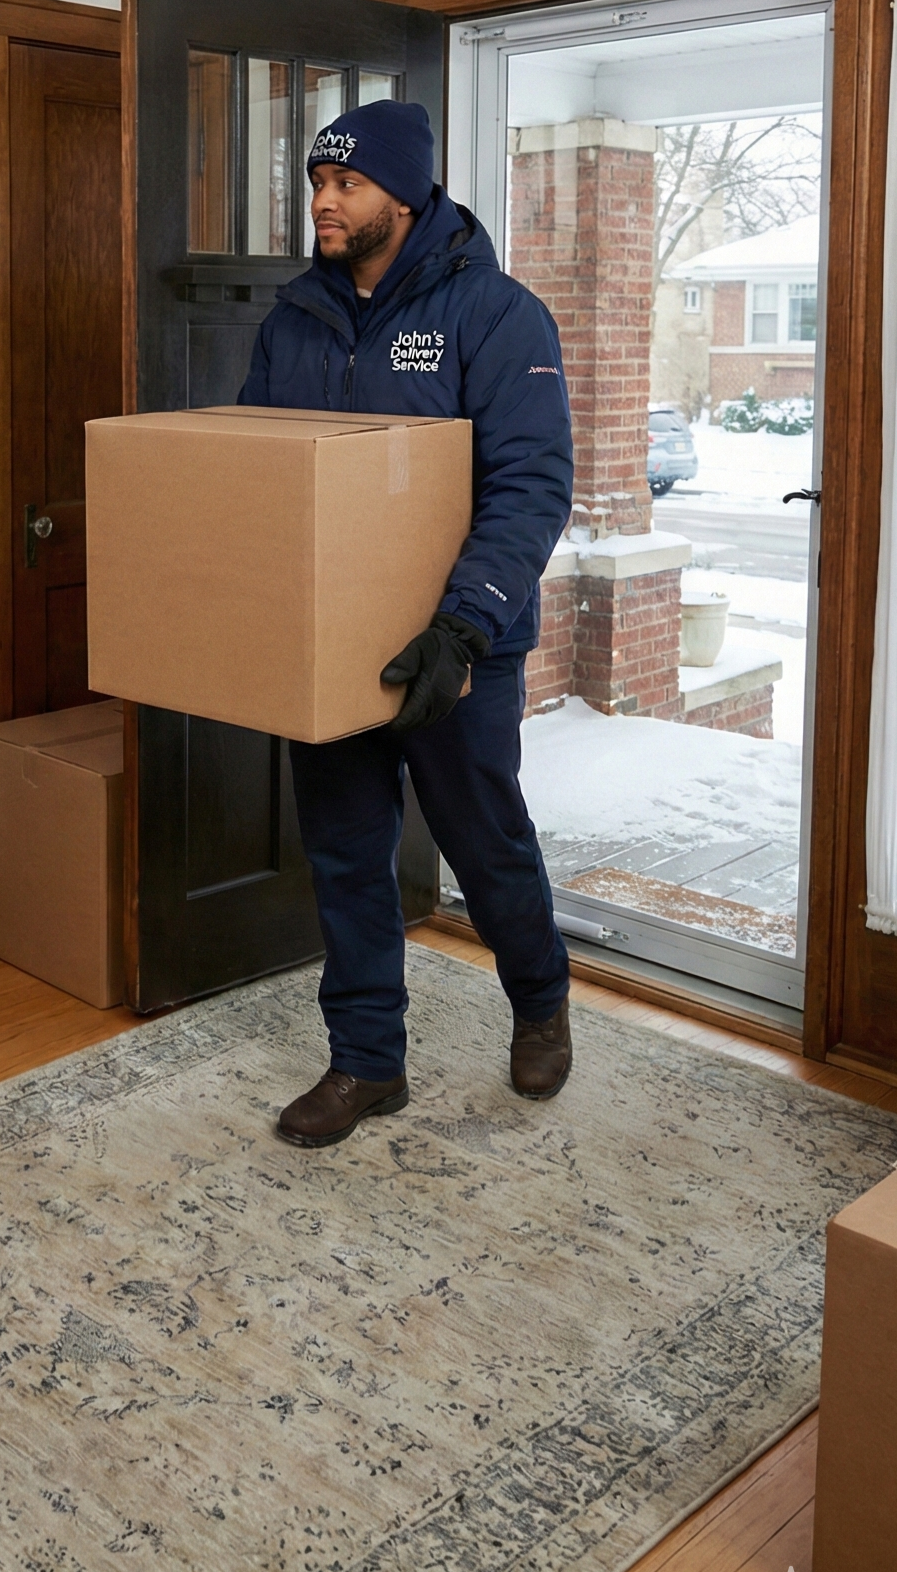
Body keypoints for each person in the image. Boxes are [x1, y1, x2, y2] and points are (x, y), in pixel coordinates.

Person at [238, 100, 575, 1147]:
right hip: (331, 643)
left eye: (344, 183)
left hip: (455, 648)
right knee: (344, 852)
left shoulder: (494, 312)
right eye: (315, 183)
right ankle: (365, 1062)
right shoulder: (292, 318)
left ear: (404, 191)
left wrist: (463, 627)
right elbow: (259, 469)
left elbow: (531, 483)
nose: (323, 201)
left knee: (484, 841)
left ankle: (538, 999)